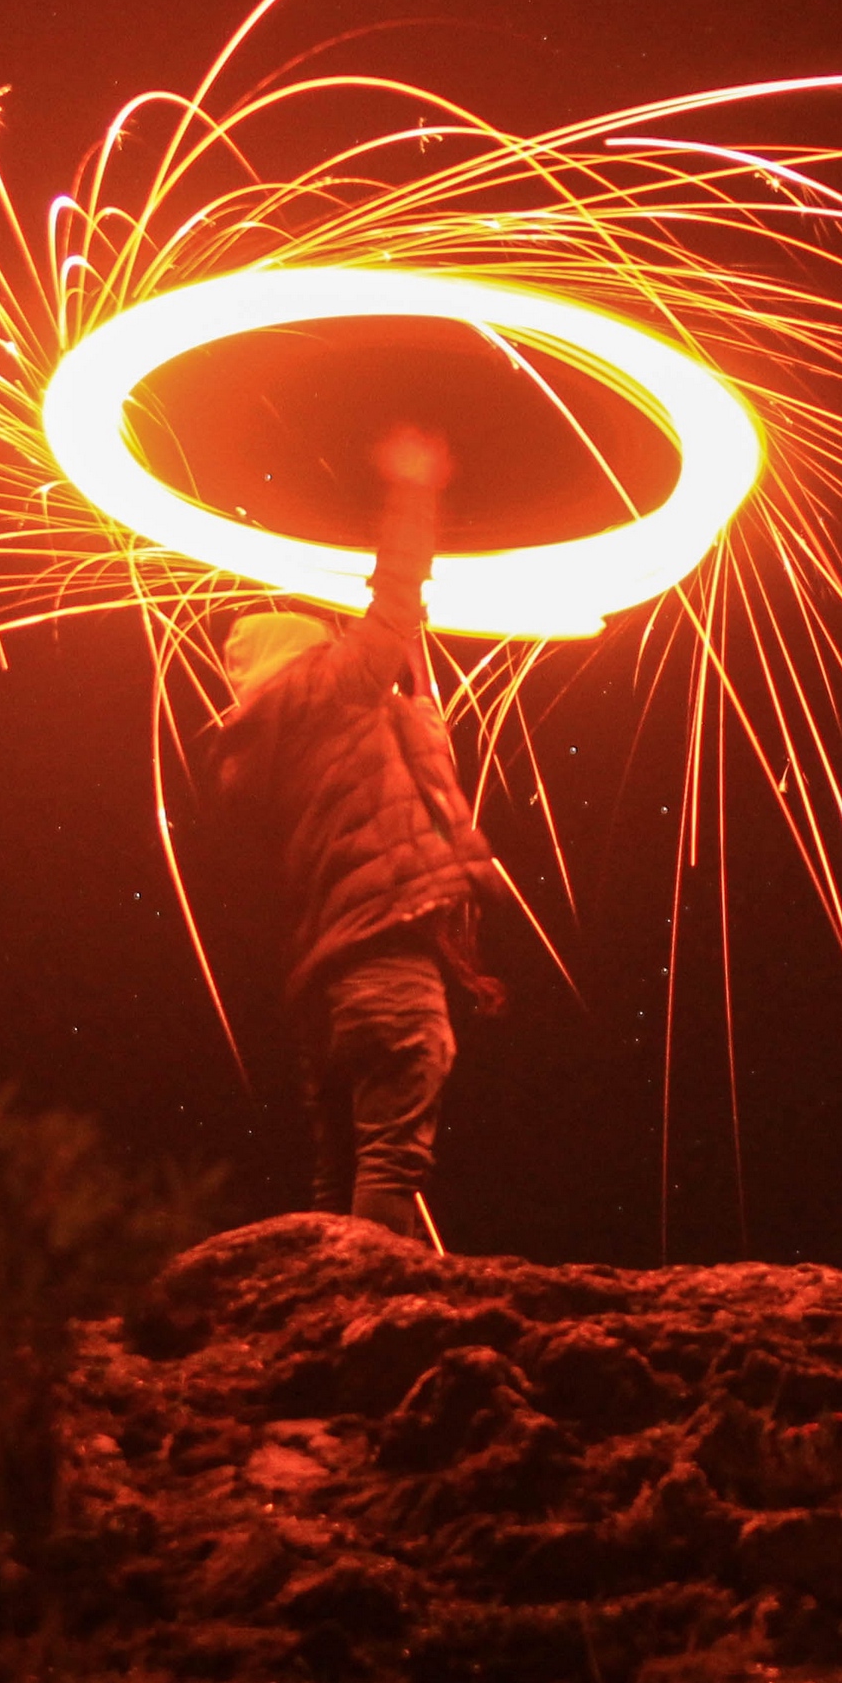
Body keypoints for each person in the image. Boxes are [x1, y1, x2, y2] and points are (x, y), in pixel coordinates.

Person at [211, 425, 507, 1247]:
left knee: (337, 1169)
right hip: (383, 959)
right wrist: (413, 490)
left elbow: (401, 711)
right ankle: (373, 1303)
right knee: (391, 1156)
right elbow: (396, 603)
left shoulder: (267, 743)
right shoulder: (328, 691)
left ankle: (320, 1299)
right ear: (307, 655)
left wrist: (406, 668)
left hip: (323, 984)